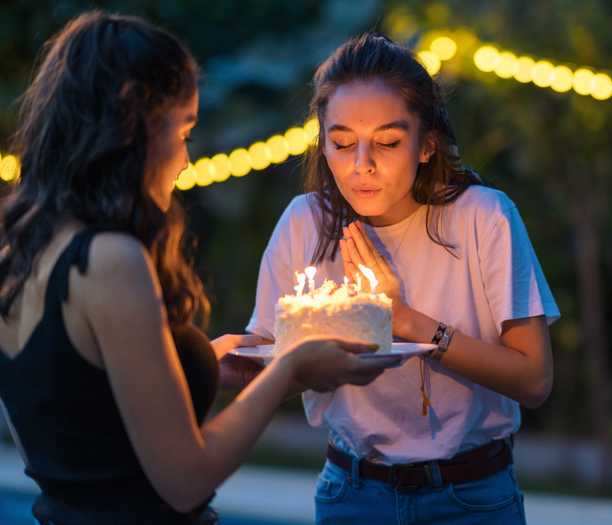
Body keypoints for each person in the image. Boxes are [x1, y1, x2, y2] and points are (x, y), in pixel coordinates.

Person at [0, 12, 391, 525]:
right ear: (133, 122)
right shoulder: (109, 260)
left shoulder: (22, 243)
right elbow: (185, 480)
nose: (186, 158)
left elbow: (78, 403)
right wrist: (288, 371)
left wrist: (202, 361)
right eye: (183, 130)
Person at [244, 33, 560, 524]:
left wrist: (406, 321)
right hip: (353, 492)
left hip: (470, 495)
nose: (361, 164)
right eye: (342, 142)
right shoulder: (304, 223)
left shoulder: (484, 218)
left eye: (388, 142)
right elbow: (267, 356)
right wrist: (211, 360)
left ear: (427, 144)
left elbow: (534, 379)